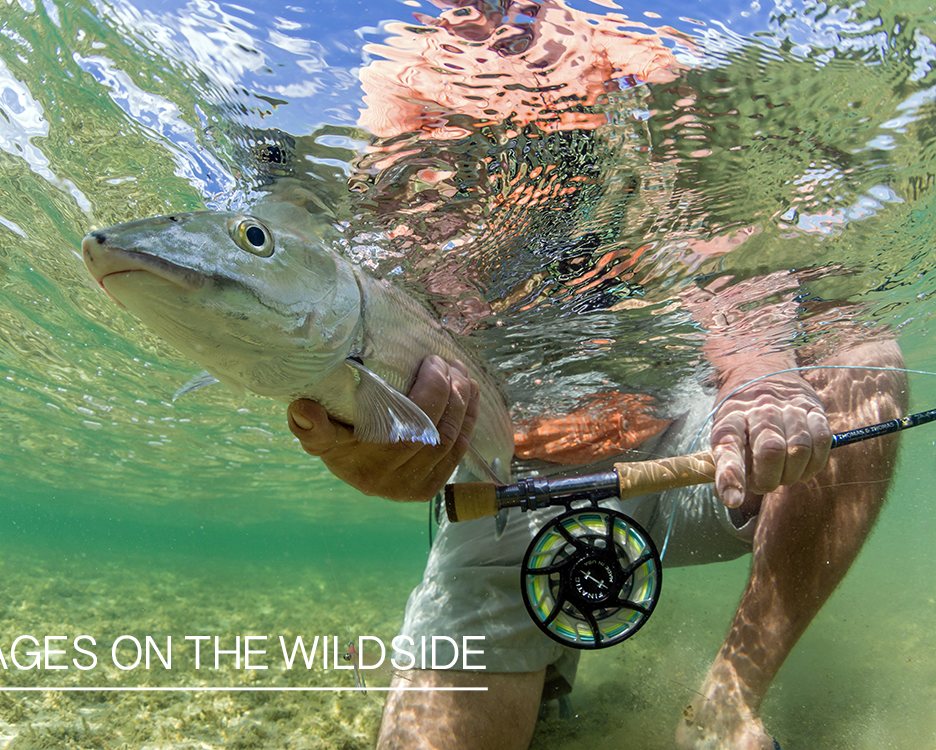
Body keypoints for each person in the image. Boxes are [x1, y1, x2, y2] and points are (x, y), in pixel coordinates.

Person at [289, 3, 910, 748]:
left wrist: (757, 376)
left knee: (860, 360)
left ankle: (727, 697)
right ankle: (543, 664)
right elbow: (411, 300)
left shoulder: (639, 61)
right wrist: (386, 438)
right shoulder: (403, 85)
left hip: (684, 446)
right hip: (514, 484)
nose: (488, 19)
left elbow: (718, 230)